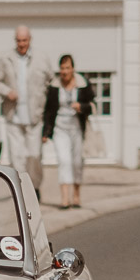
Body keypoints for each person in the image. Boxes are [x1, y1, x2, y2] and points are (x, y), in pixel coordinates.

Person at [0, 25, 45, 187]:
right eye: (19, 40)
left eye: (25, 40)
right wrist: (7, 92)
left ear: (30, 39)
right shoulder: (6, 58)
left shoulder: (41, 58)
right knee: (17, 157)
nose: (22, 44)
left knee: (34, 155)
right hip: (13, 115)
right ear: (15, 41)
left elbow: (50, 82)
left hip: (34, 116)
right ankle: (22, 190)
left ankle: (34, 186)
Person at [40, 54, 95, 209]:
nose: (64, 72)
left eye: (67, 68)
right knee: (64, 160)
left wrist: (81, 107)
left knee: (77, 161)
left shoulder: (83, 84)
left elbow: (91, 105)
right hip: (60, 128)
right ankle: (65, 198)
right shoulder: (54, 86)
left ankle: (76, 196)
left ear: (73, 69)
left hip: (77, 127)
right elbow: (49, 110)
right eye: (62, 68)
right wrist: (46, 132)